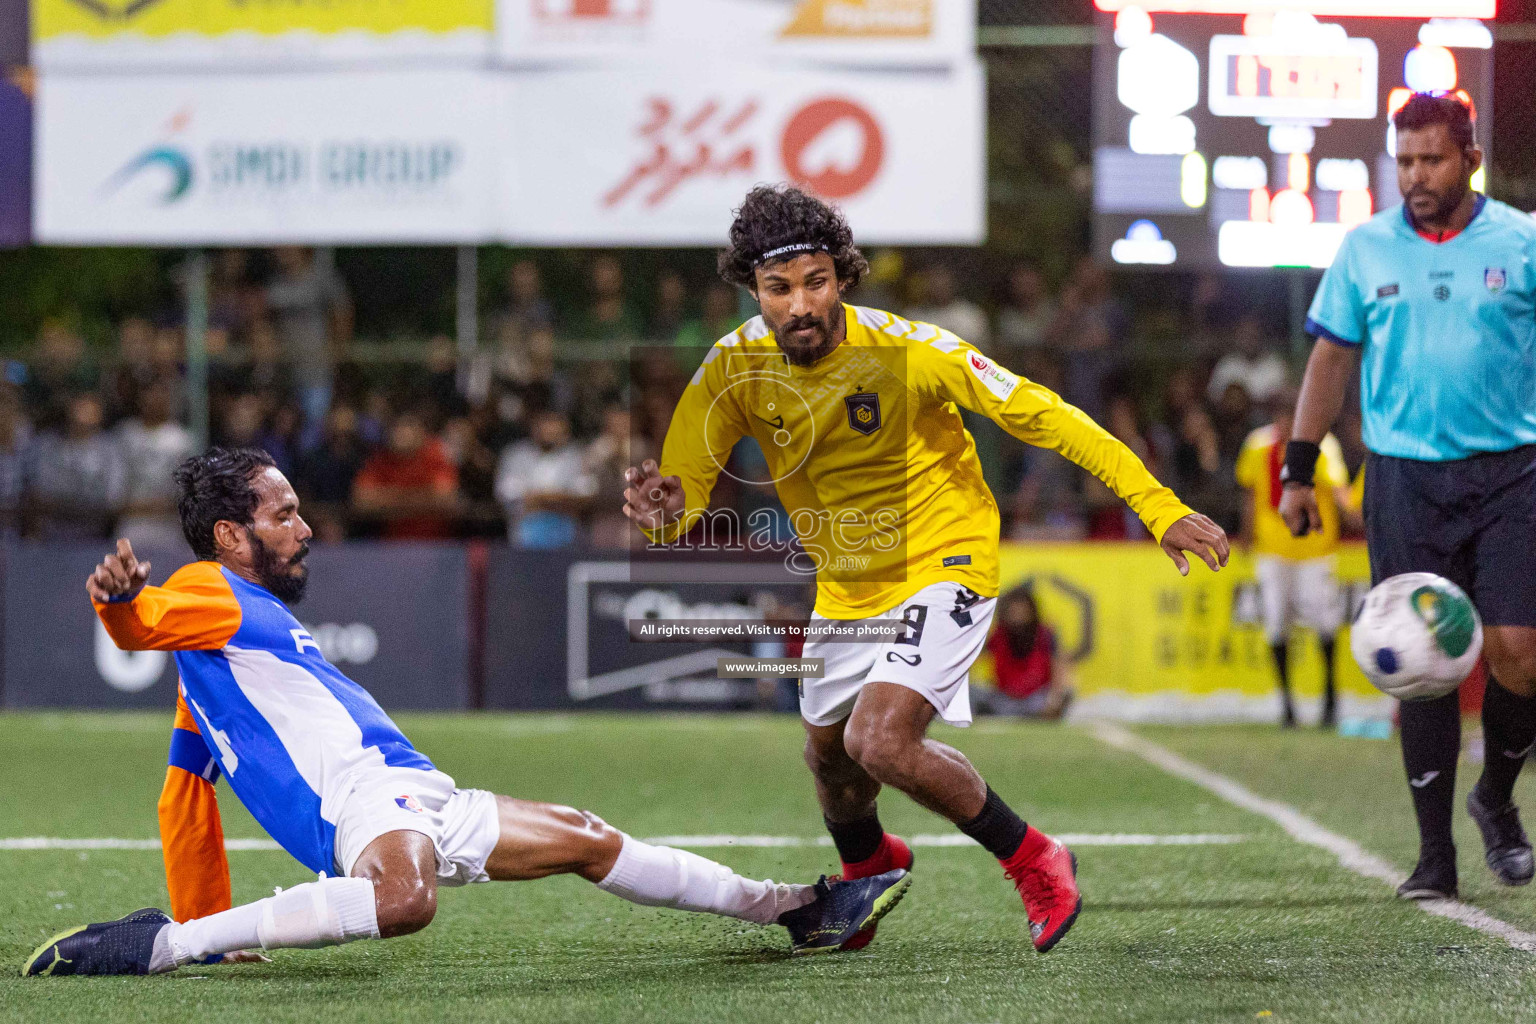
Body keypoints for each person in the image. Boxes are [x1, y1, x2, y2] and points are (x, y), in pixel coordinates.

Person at [22, 449, 910, 977]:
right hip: (367, 806)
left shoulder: (223, 662)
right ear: (229, 534)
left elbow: (185, 793)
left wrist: (215, 930)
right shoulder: (211, 590)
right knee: (404, 902)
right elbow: (146, 622)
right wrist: (118, 609)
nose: (304, 528)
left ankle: (795, 909)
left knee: (585, 836)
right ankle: (159, 948)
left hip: (414, 792)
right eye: (284, 514)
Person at [622, 184, 1229, 955]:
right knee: (829, 760)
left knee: (881, 742)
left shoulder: (911, 353)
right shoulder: (731, 369)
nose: (800, 304)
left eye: (815, 281)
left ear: (841, 275)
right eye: (779, 288)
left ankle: (1036, 857)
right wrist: (662, 510)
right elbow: (686, 490)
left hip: (946, 556)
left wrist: (1157, 505)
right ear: (753, 291)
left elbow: (1048, 415)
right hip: (848, 585)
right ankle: (868, 869)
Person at [1279, 93, 1536, 900]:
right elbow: (1330, 363)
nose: (1416, 176)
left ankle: (1495, 797)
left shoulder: (1523, 242)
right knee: (1422, 668)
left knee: (1520, 655)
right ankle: (1435, 858)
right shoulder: (1364, 250)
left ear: (1469, 159)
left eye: (1432, 159)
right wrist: (1298, 467)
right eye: (1405, 161)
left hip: (1513, 473)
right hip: (1404, 480)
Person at [1235, 387, 1350, 729]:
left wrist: (1360, 516)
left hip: (1315, 549)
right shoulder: (1258, 446)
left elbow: (1339, 492)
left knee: (1325, 622)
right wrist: (1247, 533)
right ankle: (1287, 704)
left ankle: (1330, 698)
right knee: (1275, 621)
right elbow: (1251, 492)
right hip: (1273, 550)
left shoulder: (1323, 447)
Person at [980, 585, 1073, 720]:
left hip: (1036, 699)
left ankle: (1047, 713)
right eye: (1014, 611)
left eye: (1022, 611)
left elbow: (1059, 666)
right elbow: (974, 659)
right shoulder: (998, 634)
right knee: (975, 693)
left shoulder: (1045, 634)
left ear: (1032, 611)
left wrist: (1055, 697)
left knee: (1062, 694)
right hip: (1003, 699)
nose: (1018, 615)